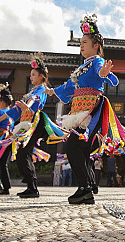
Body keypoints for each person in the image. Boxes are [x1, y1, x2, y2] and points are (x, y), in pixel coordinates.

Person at [49, 15, 121, 205]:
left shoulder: (97, 62)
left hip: (91, 108)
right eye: (80, 43)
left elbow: (106, 75)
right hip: (80, 108)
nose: (81, 46)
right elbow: (69, 86)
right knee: (81, 148)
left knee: (74, 145)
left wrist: (104, 73)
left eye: (85, 43)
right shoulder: (82, 67)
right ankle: (88, 186)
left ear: (96, 45)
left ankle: (85, 188)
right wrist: (53, 91)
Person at [0, 54, 55, 198]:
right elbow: (15, 110)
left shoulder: (42, 89)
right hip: (27, 122)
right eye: (30, 75)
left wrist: (27, 106)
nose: (31, 77)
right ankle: (31, 186)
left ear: (41, 76)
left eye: (33, 75)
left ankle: (32, 187)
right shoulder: (32, 90)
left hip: (35, 122)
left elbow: (34, 100)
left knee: (23, 153)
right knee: (23, 153)